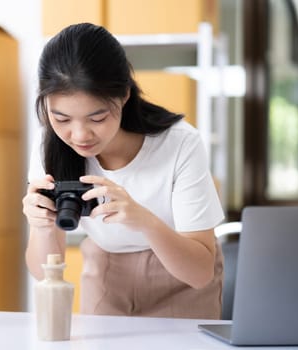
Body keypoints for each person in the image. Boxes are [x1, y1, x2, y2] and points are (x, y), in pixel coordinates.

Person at [23, 23, 225, 319]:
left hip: (182, 279)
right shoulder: (49, 146)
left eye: (97, 117)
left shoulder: (180, 143)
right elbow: (44, 272)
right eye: (61, 118)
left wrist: (144, 221)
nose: (79, 135)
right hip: (106, 276)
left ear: (125, 95)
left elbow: (199, 273)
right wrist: (41, 228)